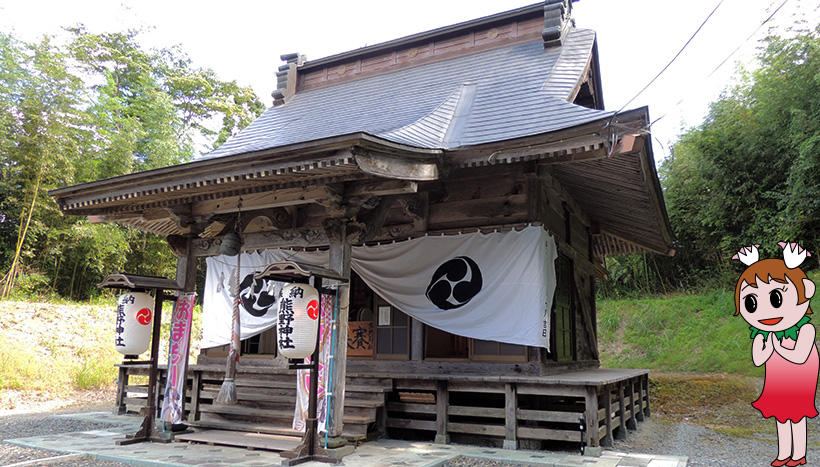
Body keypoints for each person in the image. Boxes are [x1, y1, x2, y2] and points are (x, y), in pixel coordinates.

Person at [733, 243, 817, 467]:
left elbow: (800, 356)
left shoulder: (805, 329)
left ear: (806, 291)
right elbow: (758, 359)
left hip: (800, 379)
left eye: (776, 299)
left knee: (797, 416)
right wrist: (768, 345)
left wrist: (777, 347)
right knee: (781, 416)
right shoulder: (761, 335)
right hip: (777, 380)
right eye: (751, 303)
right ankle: (783, 453)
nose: (765, 312)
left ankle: (798, 454)